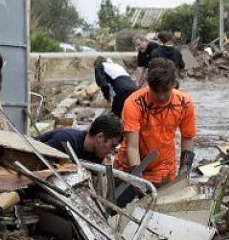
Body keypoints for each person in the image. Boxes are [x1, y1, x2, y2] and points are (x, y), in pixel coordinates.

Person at [115, 58, 196, 204]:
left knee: (160, 214)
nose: (161, 97)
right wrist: (137, 179)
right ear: (148, 84)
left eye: (166, 91)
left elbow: (188, 138)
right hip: (129, 166)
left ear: (174, 84)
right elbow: (132, 146)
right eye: (155, 91)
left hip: (163, 169)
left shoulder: (185, 103)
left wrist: (184, 174)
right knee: (115, 211)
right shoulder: (134, 103)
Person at [37, 113, 123, 164]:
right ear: (100, 138)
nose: (112, 152)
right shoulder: (65, 141)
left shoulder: (96, 154)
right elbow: (33, 162)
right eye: (112, 145)